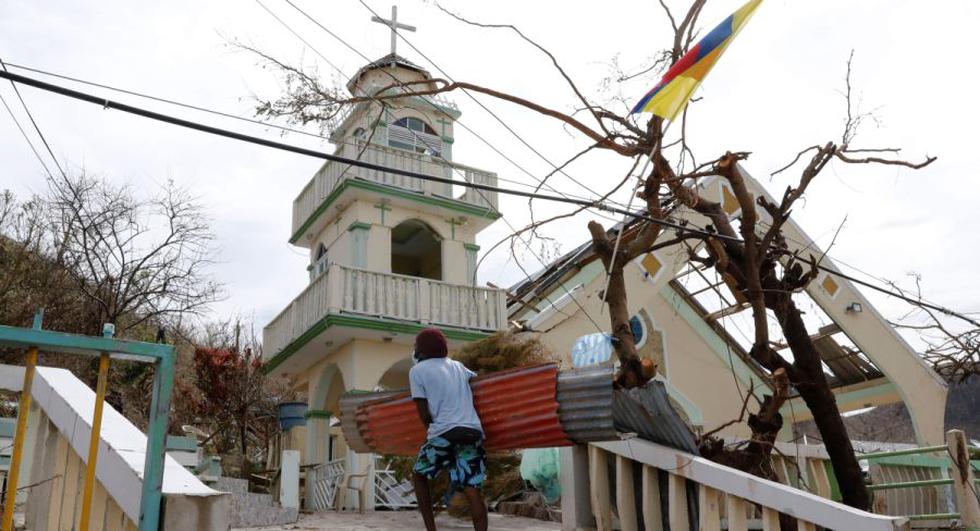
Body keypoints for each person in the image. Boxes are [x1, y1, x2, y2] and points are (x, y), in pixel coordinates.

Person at [409, 327, 488, 531]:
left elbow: (424, 414)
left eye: (416, 347)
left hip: (444, 432)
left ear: (422, 350)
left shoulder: (417, 371)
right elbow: (478, 379)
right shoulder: (459, 366)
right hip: (472, 431)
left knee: (419, 475)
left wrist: (433, 435)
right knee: (472, 487)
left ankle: (431, 529)